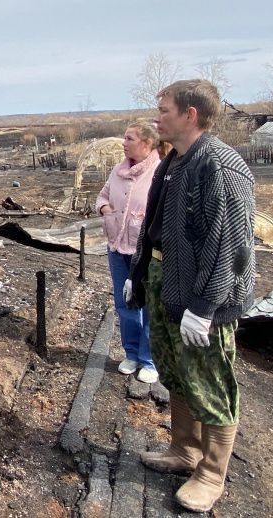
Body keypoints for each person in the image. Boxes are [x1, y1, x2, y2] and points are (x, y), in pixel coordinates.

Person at [126, 79, 257, 513]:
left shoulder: (219, 166)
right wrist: (139, 272)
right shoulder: (175, 163)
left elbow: (230, 246)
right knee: (176, 370)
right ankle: (185, 450)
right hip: (168, 281)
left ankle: (212, 473)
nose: (156, 117)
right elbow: (155, 225)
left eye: (163, 110)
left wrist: (204, 309)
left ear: (190, 115)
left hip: (206, 299)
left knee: (210, 379)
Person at [95, 120, 163, 383]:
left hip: (143, 251)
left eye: (129, 138)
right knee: (125, 304)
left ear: (146, 143)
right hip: (116, 247)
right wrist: (106, 210)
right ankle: (131, 353)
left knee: (147, 304)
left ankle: (149, 360)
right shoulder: (118, 170)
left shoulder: (158, 172)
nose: (123, 143)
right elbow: (102, 195)